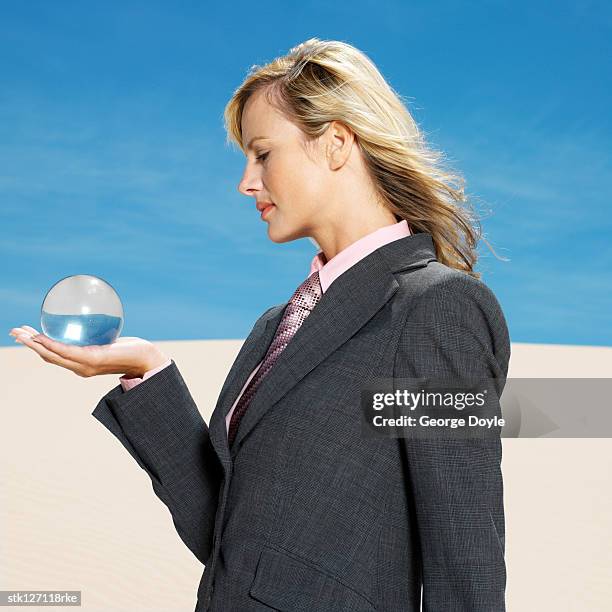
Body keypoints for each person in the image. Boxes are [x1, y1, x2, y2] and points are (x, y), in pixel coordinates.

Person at [10, 38, 510, 611]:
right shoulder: (275, 328)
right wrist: (145, 370)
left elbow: (465, 559)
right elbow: (230, 541)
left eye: (263, 153)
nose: (246, 182)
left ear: (337, 143)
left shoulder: (438, 308)